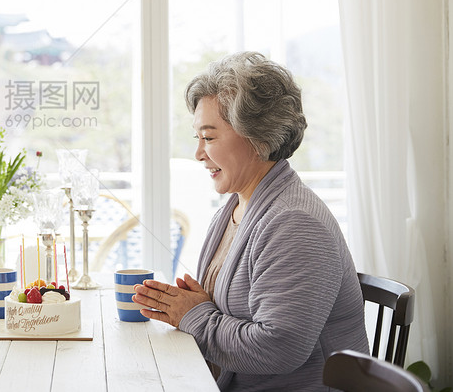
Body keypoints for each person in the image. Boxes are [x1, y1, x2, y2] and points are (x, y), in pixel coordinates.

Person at [133, 51, 369, 391]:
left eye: (209, 137)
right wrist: (195, 305)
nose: (199, 153)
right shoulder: (236, 205)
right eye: (197, 137)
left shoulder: (296, 223)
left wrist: (195, 315)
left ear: (258, 138)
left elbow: (277, 350)